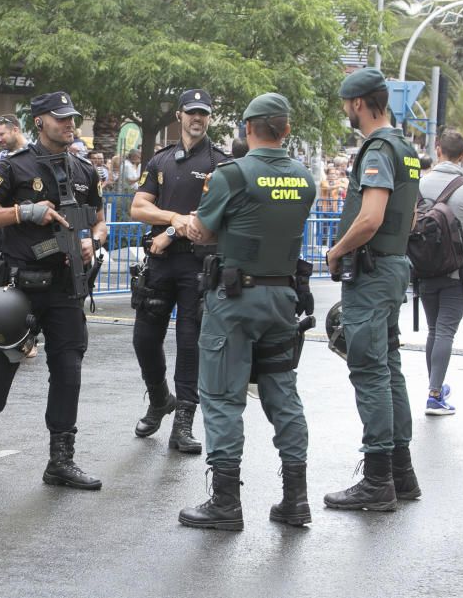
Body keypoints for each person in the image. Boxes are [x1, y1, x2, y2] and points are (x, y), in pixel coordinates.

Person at [0, 91, 108, 490]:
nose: (69, 124)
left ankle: (61, 460)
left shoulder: (84, 170)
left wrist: (94, 242)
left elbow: (100, 220)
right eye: (60, 118)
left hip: (68, 287)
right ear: (39, 123)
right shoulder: (14, 167)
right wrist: (22, 212)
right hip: (22, 286)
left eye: (72, 118)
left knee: (67, 372)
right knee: (1, 365)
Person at [176, 93, 315, 531]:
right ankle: (295, 499)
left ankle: (225, 503)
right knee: (282, 393)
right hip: (282, 299)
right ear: (286, 129)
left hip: (235, 301)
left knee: (220, 396)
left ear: (247, 129)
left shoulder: (232, 175)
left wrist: (184, 224)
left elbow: (202, 231)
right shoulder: (305, 179)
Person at [323, 68, 421, 512]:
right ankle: (402, 473)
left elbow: (371, 216)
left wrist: (338, 250)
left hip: (373, 270)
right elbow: (411, 217)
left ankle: (378, 479)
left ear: (359, 104)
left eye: (347, 104)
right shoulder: (406, 146)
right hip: (394, 265)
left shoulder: (378, 148)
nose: (346, 111)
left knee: (369, 371)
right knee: (389, 365)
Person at [129, 88, 228, 455]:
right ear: (180, 117)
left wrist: (171, 231)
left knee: (190, 344)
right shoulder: (161, 161)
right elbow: (138, 207)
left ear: (209, 118)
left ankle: (183, 421)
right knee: (143, 338)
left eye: (203, 113)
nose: (197, 119)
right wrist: (172, 220)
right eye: (191, 113)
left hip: (198, 264)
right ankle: (159, 399)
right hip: (160, 262)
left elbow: (215, 216)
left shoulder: (221, 162)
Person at [417, 130, 463, 416]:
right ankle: (434, 395)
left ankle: (437, 386)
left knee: (434, 330)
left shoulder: (420, 184)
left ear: (437, 149)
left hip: (425, 268)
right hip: (458, 273)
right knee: (445, 331)